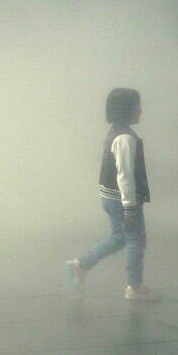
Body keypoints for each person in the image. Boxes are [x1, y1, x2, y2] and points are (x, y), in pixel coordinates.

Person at [66, 87, 157, 302]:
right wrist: (130, 206)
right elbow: (125, 175)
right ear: (126, 109)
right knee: (136, 239)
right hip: (120, 198)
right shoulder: (125, 138)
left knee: (119, 238)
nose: (141, 110)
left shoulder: (116, 131)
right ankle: (134, 288)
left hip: (109, 196)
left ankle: (80, 265)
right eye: (137, 106)